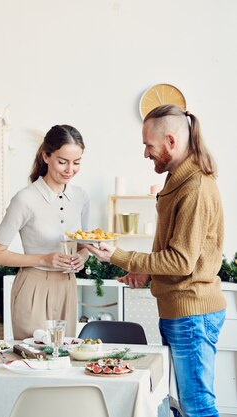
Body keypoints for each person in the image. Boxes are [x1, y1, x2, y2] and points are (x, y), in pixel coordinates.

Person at [87, 104, 226, 417]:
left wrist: (120, 256)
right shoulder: (177, 180)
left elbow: (181, 261)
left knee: (198, 407)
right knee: (182, 404)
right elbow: (175, 246)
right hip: (181, 310)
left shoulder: (195, 187)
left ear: (171, 142)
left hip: (193, 312)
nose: (146, 153)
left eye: (149, 145)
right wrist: (146, 274)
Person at [0, 125, 90, 339]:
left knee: (64, 357)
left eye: (76, 162)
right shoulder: (25, 199)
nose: (70, 169)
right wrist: (44, 259)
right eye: (62, 162)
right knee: (33, 357)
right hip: (33, 286)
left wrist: (82, 257)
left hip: (67, 286)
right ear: (46, 156)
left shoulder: (81, 197)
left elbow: (85, 244)